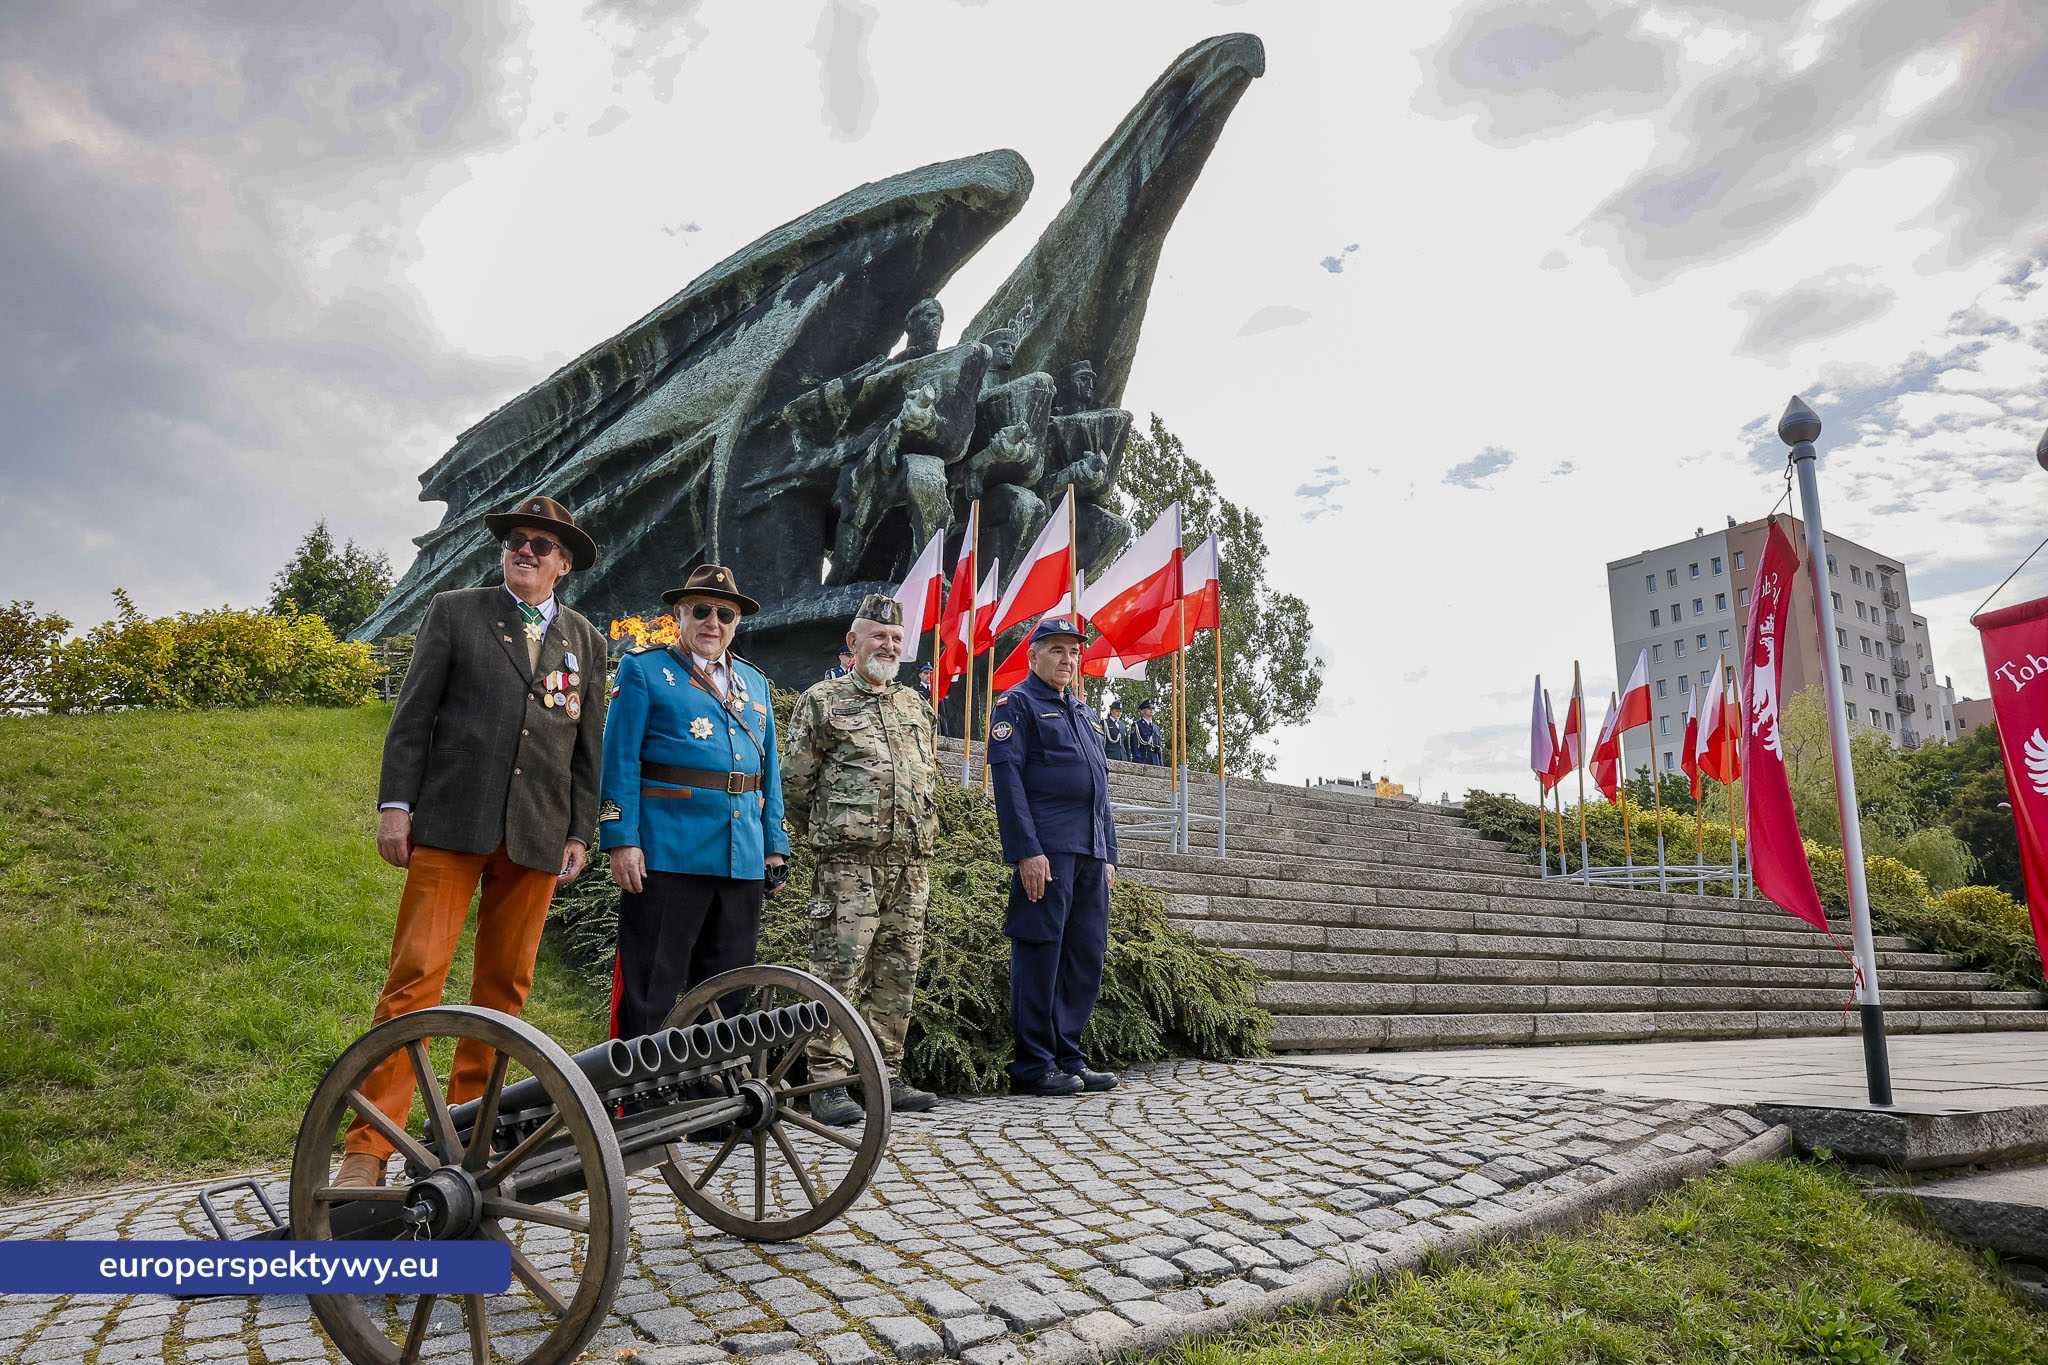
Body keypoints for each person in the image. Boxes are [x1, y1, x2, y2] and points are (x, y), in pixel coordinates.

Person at [343, 495, 608, 1190]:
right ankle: (369, 1145)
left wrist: (581, 829)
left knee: (502, 994)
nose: (525, 550)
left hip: (538, 833)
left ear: (564, 564)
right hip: (450, 824)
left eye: (541, 546)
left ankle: (461, 1135)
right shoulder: (456, 611)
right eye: (517, 540)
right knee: (414, 982)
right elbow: (413, 716)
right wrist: (395, 806)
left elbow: (588, 747)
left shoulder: (586, 639)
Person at [599, 564, 789, 1041]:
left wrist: (774, 844)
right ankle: (635, 1098)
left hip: (740, 857)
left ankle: (709, 1101)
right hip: (668, 853)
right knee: (651, 988)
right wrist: (621, 839)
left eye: (725, 614)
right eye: (701, 611)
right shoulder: (644, 669)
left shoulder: (755, 682)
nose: (713, 622)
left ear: (737, 622)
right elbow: (619, 759)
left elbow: (769, 772)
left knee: (727, 994)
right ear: (679, 615)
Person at [781, 594, 941, 1125]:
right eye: (878, 636)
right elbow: (795, 786)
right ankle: (827, 1082)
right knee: (838, 969)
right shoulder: (823, 702)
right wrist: (833, 837)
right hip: (848, 866)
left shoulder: (916, 706)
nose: (889, 646)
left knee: (897, 971)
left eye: (896, 639)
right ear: (854, 643)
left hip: (911, 865)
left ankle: (885, 1074)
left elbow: (928, 782)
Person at [987, 617, 1119, 1096]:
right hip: (1048, 851)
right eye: (1057, 650)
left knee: (1085, 955)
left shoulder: (1082, 713)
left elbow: (1100, 789)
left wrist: (1109, 854)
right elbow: (1008, 782)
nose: (1067, 659)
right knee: (1041, 953)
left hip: (1089, 853)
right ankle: (1034, 1065)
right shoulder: (1016, 705)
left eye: (1073, 652)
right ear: (1033, 655)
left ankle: (1069, 1055)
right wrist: (1027, 852)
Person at [1132, 699, 1164, 766]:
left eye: (1153, 708)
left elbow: (1159, 745)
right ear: (1143, 711)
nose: (1151, 710)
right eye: (1149, 708)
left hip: (1156, 760)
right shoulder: (1137, 725)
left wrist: (1160, 761)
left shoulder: (1156, 728)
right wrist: (1138, 760)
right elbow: (1135, 744)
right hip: (1144, 758)